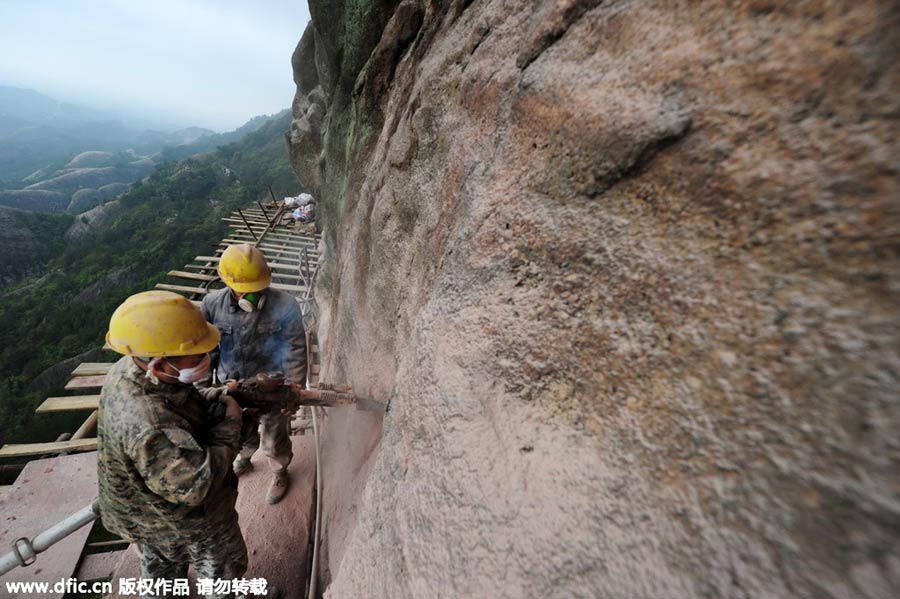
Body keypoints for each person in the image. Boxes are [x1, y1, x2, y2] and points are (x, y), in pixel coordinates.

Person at [97, 291, 246, 598]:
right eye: (197, 357)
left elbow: (178, 404)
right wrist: (231, 424)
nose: (206, 360)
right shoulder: (148, 423)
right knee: (223, 576)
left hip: (145, 513)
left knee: (161, 573)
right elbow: (196, 484)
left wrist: (215, 397)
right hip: (183, 519)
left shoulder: (132, 368)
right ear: (161, 364)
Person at [201, 243, 307, 505]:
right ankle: (245, 458)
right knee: (238, 433)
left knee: (273, 437)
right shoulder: (212, 305)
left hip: (272, 388)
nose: (252, 294)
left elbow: (295, 348)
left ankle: (280, 471)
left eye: (257, 287)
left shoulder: (285, 305)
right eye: (244, 289)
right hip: (233, 387)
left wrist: (292, 390)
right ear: (227, 282)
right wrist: (204, 392)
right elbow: (206, 352)